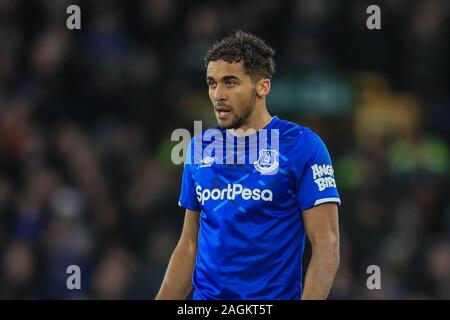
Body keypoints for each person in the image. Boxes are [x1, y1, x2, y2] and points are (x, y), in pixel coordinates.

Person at [156, 30, 341, 300]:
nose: (218, 94)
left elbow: (327, 244)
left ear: (262, 87)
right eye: (211, 83)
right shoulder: (199, 148)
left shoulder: (302, 146)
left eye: (230, 82)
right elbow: (188, 245)